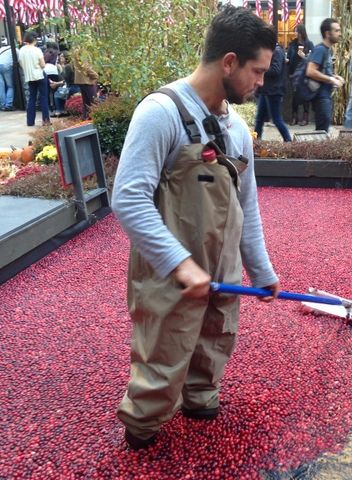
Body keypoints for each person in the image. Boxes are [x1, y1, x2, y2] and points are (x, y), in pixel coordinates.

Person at [112, 5, 280, 451]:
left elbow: (247, 206)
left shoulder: (236, 128)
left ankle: (200, 395)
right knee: (165, 348)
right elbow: (127, 198)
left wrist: (260, 270)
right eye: (257, 72)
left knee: (215, 336)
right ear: (229, 62)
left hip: (221, 267)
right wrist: (180, 265)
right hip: (171, 271)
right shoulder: (159, 113)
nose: (261, 83)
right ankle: (142, 425)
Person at [306, 18, 345, 132]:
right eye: (337, 31)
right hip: (320, 97)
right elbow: (310, 71)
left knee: (322, 129)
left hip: (325, 95)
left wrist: (334, 76)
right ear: (328, 33)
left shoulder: (327, 50)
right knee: (322, 130)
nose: (340, 33)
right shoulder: (320, 50)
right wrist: (331, 80)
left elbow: (322, 70)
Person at [254, 43, 291, 142]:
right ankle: (256, 143)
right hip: (266, 90)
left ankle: (289, 141)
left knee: (276, 119)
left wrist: (261, 69)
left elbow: (275, 70)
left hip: (274, 91)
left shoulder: (277, 51)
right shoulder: (270, 51)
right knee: (259, 119)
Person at [19, 31, 50, 126]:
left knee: (32, 98)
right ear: (34, 39)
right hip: (39, 74)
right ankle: (46, 120)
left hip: (29, 76)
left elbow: (20, 63)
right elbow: (43, 64)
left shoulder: (22, 50)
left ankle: (30, 121)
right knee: (43, 97)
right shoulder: (37, 50)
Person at [287, 24, 314, 126]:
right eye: (295, 31)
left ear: (302, 32)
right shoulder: (293, 44)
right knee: (295, 96)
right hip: (294, 74)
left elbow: (313, 59)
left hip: (305, 73)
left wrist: (304, 56)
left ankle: (305, 117)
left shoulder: (309, 44)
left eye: (297, 31)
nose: (295, 33)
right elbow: (289, 56)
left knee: (305, 96)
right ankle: (294, 117)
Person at [72, 46, 99, 120]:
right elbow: (86, 67)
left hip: (81, 80)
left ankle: (86, 120)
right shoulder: (82, 51)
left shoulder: (76, 50)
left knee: (86, 104)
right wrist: (96, 75)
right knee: (93, 102)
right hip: (87, 79)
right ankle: (95, 120)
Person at [0, 39, 17, 111]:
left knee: (0, 87)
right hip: (6, 66)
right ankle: (8, 105)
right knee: (10, 86)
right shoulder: (16, 50)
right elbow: (18, 61)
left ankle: (2, 105)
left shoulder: (2, 49)